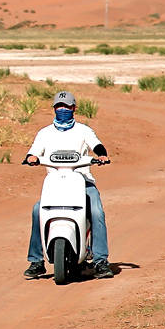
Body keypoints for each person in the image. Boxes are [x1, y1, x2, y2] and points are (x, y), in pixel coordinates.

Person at [22, 90, 113, 279]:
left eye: (67, 106)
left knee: (96, 211)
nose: (62, 109)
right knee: (38, 210)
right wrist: (31, 158)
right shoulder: (44, 133)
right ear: (54, 108)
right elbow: (33, 152)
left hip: (82, 181)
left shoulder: (83, 130)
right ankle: (36, 261)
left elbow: (96, 145)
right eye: (59, 106)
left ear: (74, 108)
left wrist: (101, 155)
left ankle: (100, 261)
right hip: (56, 183)